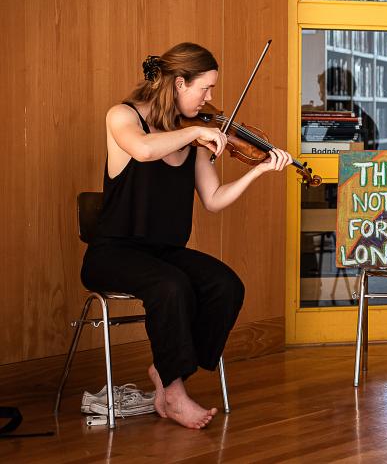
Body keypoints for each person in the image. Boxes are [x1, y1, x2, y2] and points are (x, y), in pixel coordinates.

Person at [81, 42, 293, 429]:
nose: (210, 99)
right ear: (179, 84)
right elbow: (144, 151)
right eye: (205, 89)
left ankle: (164, 373)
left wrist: (257, 171)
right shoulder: (124, 117)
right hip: (113, 253)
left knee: (226, 285)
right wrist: (196, 130)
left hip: (163, 253)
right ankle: (174, 394)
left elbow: (213, 199)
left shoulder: (195, 140)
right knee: (172, 286)